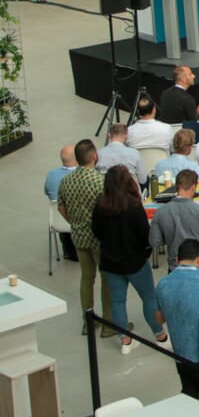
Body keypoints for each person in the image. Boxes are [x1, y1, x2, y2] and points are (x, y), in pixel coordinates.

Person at [91, 164, 167, 353]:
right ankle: (160, 336)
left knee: (117, 301)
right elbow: (145, 235)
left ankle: (125, 341)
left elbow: (96, 231)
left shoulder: (100, 205)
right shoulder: (133, 206)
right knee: (149, 297)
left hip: (110, 262)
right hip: (135, 262)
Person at [154, 239, 199, 409]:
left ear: (178, 258)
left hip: (181, 354)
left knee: (189, 396)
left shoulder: (163, 284)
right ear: (198, 259)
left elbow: (159, 318)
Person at [59, 139, 113, 333]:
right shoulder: (101, 181)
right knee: (106, 278)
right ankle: (109, 323)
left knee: (86, 278)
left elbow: (61, 206)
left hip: (79, 236)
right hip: (100, 238)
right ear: (94, 156)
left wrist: (73, 222)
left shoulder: (66, 181)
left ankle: (88, 321)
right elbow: (109, 209)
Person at [149, 169, 199, 274]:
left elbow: (154, 241)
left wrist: (170, 237)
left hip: (175, 268)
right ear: (193, 188)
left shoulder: (160, 212)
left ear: (176, 187)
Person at [44, 144, 78, 260]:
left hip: (58, 221)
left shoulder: (51, 174)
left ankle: (68, 251)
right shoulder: (82, 175)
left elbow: (47, 192)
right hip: (78, 221)